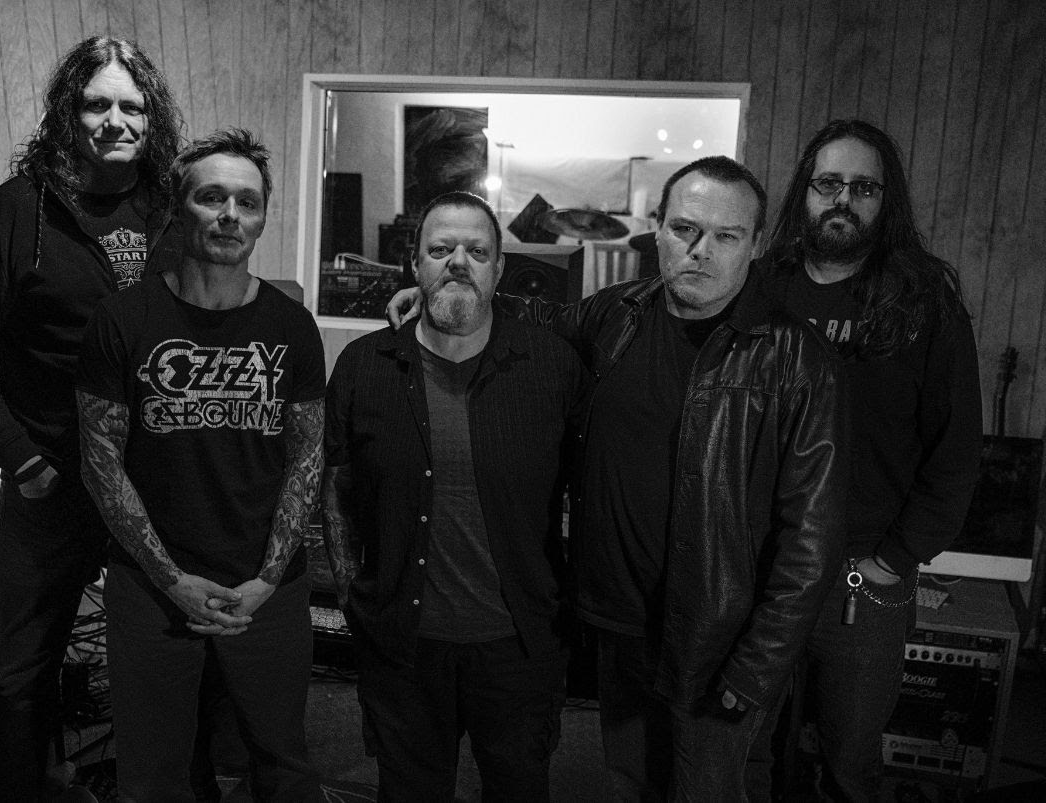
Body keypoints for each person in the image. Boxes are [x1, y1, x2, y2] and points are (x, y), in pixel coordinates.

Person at [388, 157, 848, 800]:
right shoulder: (618, 315)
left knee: (707, 793)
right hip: (620, 626)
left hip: (719, 642)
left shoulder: (795, 359)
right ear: (657, 229)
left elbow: (813, 537)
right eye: (685, 229)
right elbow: (536, 321)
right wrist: (447, 292)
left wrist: (759, 664)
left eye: (726, 235)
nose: (700, 250)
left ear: (755, 244)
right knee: (631, 784)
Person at [0, 36, 182, 798]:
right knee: (24, 673)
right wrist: (24, 460)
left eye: (132, 106)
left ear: (153, 117)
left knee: (168, 657)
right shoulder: (15, 213)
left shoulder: (176, 208)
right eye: (96, 104)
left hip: (154, 485)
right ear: (67, 113)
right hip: (54, 486)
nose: (115, 120)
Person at [75, 128, 324, 802]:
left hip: (267, 589)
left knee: (283, 762)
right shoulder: (122, 320)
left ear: (263, 218)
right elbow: (101, 462)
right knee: (155, 775)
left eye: (247, 202)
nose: (230, 215)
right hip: (152, 587)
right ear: (177, 210)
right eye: (212, 197)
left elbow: (307, 456)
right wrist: (172, 579)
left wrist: (267, 579)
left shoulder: (292, 325)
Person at [322, 191, 586, 801]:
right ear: (414, 264)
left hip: (519, 648)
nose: (458, 262)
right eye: (441, 250)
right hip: (402, 647)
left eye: (477, 251)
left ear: (500, 268)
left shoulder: (551, 366)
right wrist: (353, 598)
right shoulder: (364, 365)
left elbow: (585, 494)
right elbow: (336, 490)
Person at [751, 120, 982, 801]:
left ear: (887, 200)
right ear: (804, 191)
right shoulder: (762, 288)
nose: (843, 200)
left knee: (849, 764)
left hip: (864, 575)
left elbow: (957, 449)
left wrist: (895, 557)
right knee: (744, 749)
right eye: (828, 183)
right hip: (759, 564)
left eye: (864, 188)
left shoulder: (925, 301)